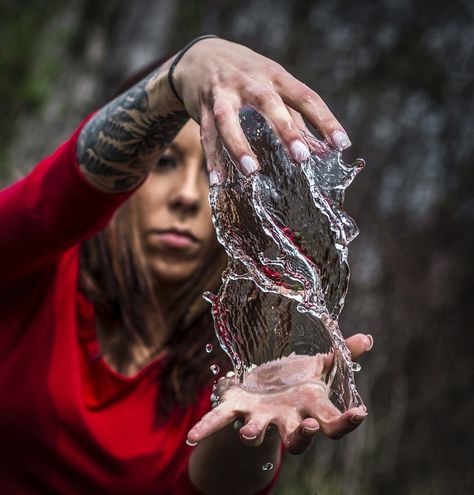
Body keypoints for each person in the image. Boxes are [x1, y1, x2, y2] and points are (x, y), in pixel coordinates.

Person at [0, 35, 373, 494]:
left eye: (215, 173)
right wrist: (184, 71)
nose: (188, 197)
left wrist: (249, 431)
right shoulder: (29, 266)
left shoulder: (232, 359)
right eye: (165, 163)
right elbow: (61, 195)